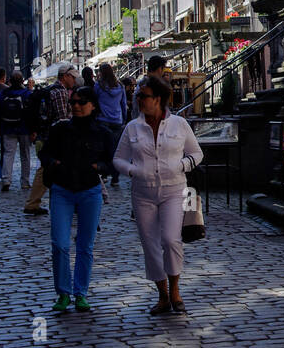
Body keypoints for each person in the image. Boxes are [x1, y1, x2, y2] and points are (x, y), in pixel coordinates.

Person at [113, 74, 202, 315]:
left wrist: (181, 165)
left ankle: (175, 289)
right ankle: (162, 294)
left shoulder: (179, 124)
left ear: (159, 99)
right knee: (150, 244)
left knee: (171, 240)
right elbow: (118, 159)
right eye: (138, 96)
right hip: (143, 193)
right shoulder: (133, 127)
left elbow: (197, 154)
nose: (139, 100)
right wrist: (133, 170)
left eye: (144, 96)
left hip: (174, 190)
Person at [39, 85, 115, 312]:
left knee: (85, 246)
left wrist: (98, 166)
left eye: (81, 102)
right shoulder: (60, 129)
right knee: (60, 244)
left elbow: (111, 163)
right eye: (73, 102)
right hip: (62, 190)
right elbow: (44, 152)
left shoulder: (103, 133)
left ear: (93, 106)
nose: (76, 106)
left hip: (90, 192)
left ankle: (80, 293)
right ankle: (63, 293)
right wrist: (54, 163)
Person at [23, 63, 78, 216]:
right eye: (72, 77)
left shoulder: (52, 90)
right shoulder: (60, 92)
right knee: (47, 169)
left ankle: (39, 202)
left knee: (49, 169)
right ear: (65, 76)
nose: (74, 80)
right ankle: (34, 203)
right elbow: (62, 119)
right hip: (53, 138)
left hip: (45, 135)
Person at [0, 71, 32, 193]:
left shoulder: (3, 93)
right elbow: (31, 112)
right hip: (23, 128)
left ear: (10, 81)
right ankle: (25, 182)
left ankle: (6, 180)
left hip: (8, 127)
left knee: (8, 154)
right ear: (22, 81)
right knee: (25, 155)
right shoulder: (27, 93)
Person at [94, 64, 127, 186]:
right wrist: (123, 118)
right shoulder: (120, 86)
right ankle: (115, 177)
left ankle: (103, 174)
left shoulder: (98, 86)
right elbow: (123, 104)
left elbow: (94, 101)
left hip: (103, 119)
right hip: (117, 121)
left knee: (103, 149)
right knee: (115, 150)